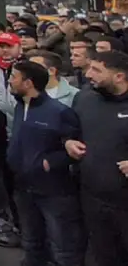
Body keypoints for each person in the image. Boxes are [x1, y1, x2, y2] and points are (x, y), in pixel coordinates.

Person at [6, 60, 85, 266]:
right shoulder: (19, 106)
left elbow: (75, 147)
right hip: (23, 187)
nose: (9, 81)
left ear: (28, 83)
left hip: (53, 191)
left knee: (62, 246)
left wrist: (50, 162)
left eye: (14, 77)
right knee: (31, 242)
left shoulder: (59, 112)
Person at [65, 50, 128, 266]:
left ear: (119, 77)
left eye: (97, 70)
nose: (89, 74)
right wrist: (68, 142)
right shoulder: (84, 98)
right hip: (93, 197)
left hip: (124, 199)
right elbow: (70, 131)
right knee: (103, 255)